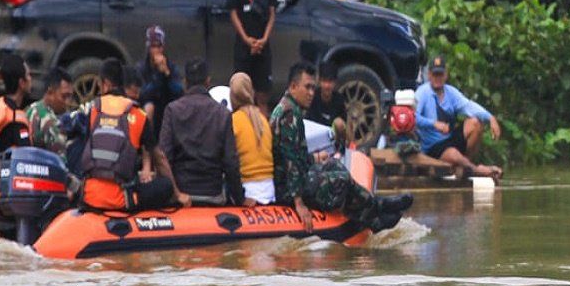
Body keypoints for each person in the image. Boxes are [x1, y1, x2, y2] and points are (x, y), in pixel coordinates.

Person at [270, 62, 410, 233]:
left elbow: (295, 154)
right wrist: (299, 204)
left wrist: (314, 159)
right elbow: (289, 162)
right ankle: (373, 216)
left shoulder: (292, 108)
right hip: (286, 188)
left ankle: (376, 206)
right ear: (293, 86)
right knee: (340, 179)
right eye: (307, 88)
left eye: (313, 88)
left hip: (298, 175)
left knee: (335, 165)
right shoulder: (288, 114)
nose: (311, 93)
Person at [79, 59, 189, 212]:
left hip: (88, 196)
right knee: (165, 186)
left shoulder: (92, 109)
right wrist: (178, 195)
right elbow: (160, 159)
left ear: (105, 84)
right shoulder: (138, 114)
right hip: (121, 200)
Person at [159, 58, 243, 206]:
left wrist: (174, 193)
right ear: (208, 81)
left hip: (182, 196)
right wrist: (239, 199)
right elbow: (231, 163)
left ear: (185, 82)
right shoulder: (222, 113)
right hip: (213, 195)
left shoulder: (172, 110)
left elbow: (164, 157)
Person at [414, 55, 503, 179]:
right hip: (432, 147)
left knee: (475, 123)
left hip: (449, 139)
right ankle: (476, 169)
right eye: (435, 75)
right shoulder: (422, 93)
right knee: (453, 154)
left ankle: (465, 165)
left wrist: (491, 118)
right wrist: (433, 124)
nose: (437, 78)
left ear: (446, 75)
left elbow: (469, 106)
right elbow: (413, 117)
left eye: (440, 74)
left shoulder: (451, 92)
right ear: (429, 75)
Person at [227, 0, 277, 109]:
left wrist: (263, 39)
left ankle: (263, 133)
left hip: (262, 46)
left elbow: (272, 13)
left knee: (262, 95)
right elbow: (233, 12)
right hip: (243, 46)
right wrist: (246, 38)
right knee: (241, 93)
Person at [229, 72, 273, 206]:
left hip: (247, 191)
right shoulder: (263, 119)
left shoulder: (233, 121)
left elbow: (229, 162)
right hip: (270, 189)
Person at [0, 54, 32, 162]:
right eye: (28, 75)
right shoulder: (17, 119)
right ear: (21, 83)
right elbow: (27, 156)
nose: (30, 79)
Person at [138, 25, 183, 133]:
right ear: (149, 48)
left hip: (167, 105)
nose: (157, 50)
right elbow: (143, 94)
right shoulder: (142, 68)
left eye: (159, 46)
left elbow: (179, 92)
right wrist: (158, 75)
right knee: (149, 107)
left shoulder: (171, 67)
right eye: (154, 46)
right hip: (149, 105)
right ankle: (148, 146)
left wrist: (167, 74)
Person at [26, 67, 74, 156]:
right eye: (64, 96)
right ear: (50, 92)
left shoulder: (31, 109)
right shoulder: (48, 120)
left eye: (70, 96)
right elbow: (62, 158)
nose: (68, 102)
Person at [308, 60, 347, 138]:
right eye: (324, 81)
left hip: (332, 138)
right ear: (319, 82)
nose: (327, 86)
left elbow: (344, 125)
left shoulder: (339, 100)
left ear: (335, 83)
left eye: (330, 82)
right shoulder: (312, 98)